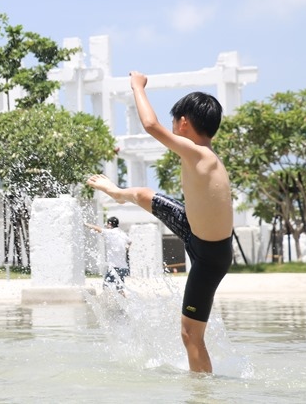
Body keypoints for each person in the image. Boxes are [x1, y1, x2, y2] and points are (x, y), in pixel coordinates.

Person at [87, 71, 233, 374]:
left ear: (183, 123)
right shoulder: (202, 155)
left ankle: (203, 393)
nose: (171, 127)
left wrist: (137, 87)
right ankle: (116, 191)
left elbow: (150, 125)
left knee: (190, 334)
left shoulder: (200, 154)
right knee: (144, 194)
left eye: (174, 122)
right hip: (193, 229)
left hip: (209, 256)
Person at [85, 217, 131, 293]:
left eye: (107, 224)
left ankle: (108, 304)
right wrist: (127, 248)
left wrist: (85, 224)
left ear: (110, 224)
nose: (106, 226)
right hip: (123, 267)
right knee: (120, 288)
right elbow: (130, 242)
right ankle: (125, 303)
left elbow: (97, 229)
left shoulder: (110, 232)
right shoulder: (122, 234)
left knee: (106, 287)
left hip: (114, 267)